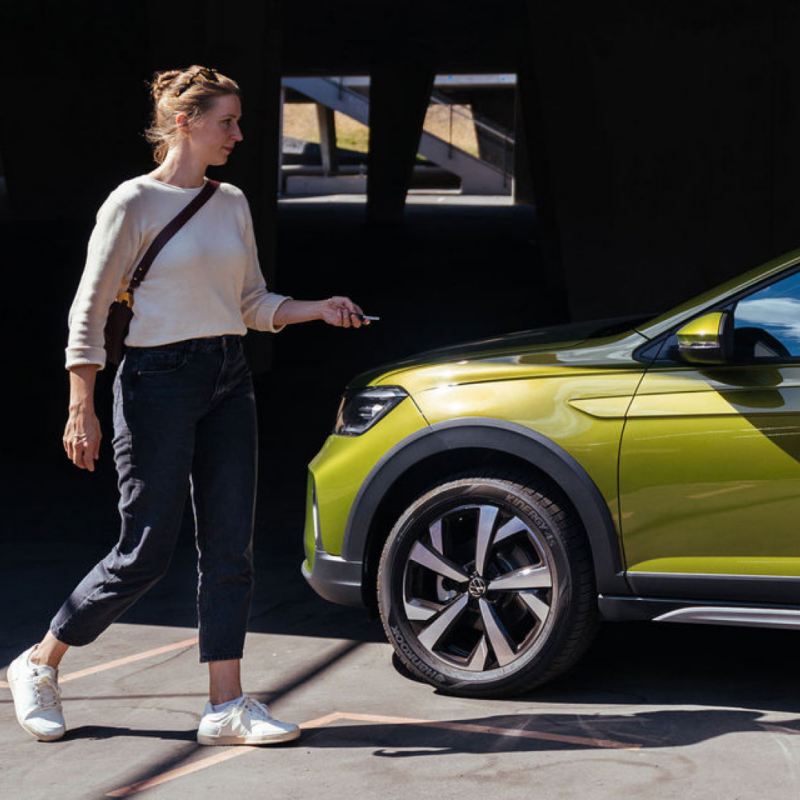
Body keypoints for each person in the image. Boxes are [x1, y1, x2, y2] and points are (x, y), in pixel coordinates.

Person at [7, 65, 369, 746]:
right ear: (185, 122)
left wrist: (317, 309)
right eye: (227, 121)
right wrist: (79, 403)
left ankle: (225, 706)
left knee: (231, 548)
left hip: (229, 376)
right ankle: (37, 662)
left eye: (237, 121)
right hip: (155, 382)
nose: (239, 133)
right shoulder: (132, 204)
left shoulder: (230, 201)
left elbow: (251, 302)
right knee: (143, 550)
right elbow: (87, 311)